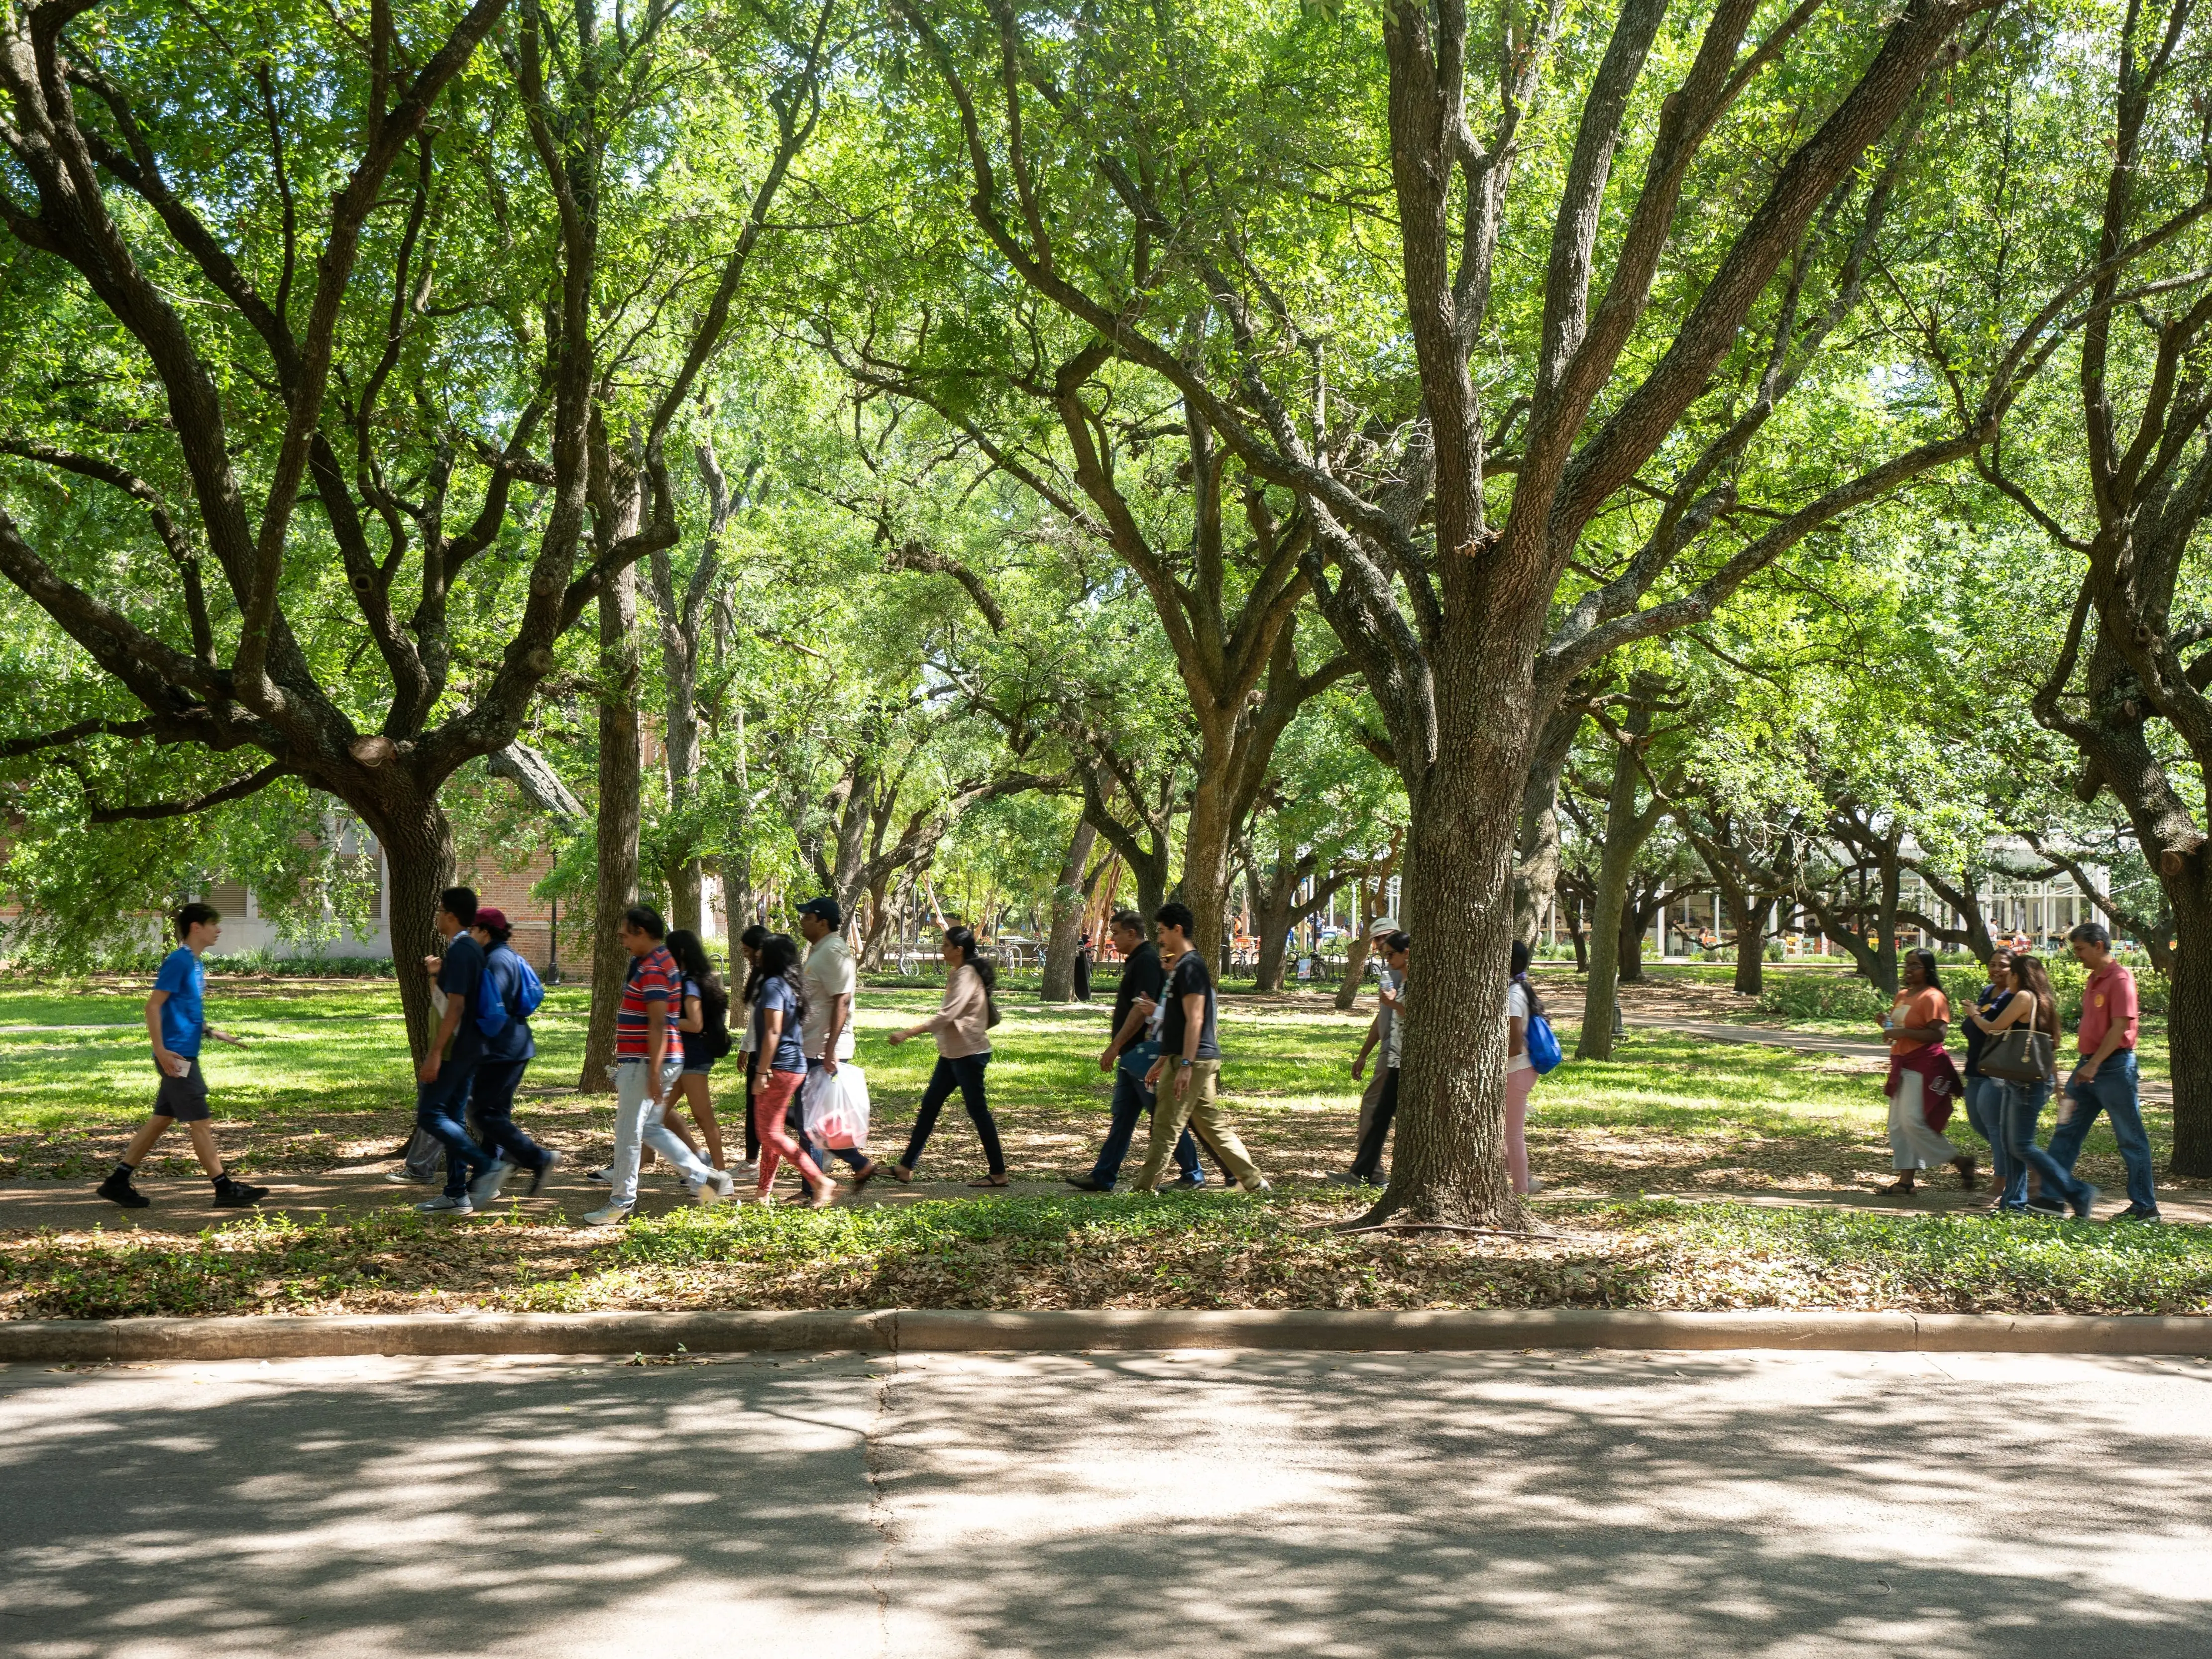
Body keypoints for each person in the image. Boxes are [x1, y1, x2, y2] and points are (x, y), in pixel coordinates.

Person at [97, 902, 267, 1211]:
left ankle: (117, 1182)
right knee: (201, 1123)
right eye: (213, 924)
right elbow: (153, 1007)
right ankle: (224, 1187)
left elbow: (185, 1008)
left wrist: (211, 1032)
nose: (219, 929)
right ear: (196, 927)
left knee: (161, 1119)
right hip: (177, 1058)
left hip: (184, 1053)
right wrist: (161, 1051)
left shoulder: (196, 964)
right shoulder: (178, 961)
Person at [583, 905, 735, 1225]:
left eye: (626, 935)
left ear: (642, 932)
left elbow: (658, 1024)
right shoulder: (662, 959)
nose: (622, 941)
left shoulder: (653, 967)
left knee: (629, 1133)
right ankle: (708, 1178)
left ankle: (620, 1202)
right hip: (658, 1060)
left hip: (646, 1062)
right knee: (651, 1128)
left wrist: (652, 1072)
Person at [1130, 902, 1268, 1194]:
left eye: (1162, 932)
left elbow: (1195, 1019)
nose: (1160, 939)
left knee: (1166, 1126)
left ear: (1177, 930)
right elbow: (1179, 1024)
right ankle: (1254, 1181)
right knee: (1211, 1126)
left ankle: (1143, 1190)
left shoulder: (1191, 967)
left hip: (1193, 1059)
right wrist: (1163, 1060)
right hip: (1190, 1058)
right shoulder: (1181, 967)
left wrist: (1185, 1065)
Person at [1066, 909, 1205, 1192]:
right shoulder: (1137, 961)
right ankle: (1103, 1175)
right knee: (1123, 1118)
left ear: (1132, 933)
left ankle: (1193, 1172)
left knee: (1162, 1116)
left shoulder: (1145, 962)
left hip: (1144, 1054)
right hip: (1132, 1056)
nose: (1112, 938)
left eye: (1116, 932)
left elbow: (1142, 1011)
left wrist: (1115, 1045)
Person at [2032, 922, 2158, 1221]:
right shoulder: (2093, 979)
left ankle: (2145, 1206)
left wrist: (2094, 1064)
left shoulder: (2121, 978)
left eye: (2080, 949)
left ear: (2099, 945)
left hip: (2113, 1068)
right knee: (2066, 1131)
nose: (2077, 955)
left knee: (2131, 1138)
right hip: (2085, 1068)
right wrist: (2086, 1065)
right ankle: (2051, 1198)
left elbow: (2120, 1028)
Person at [886, 925, 1008, 1186]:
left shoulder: (966, 974)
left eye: (945, 945)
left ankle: (998, 1173)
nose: (942, 949)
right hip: (953, 1054)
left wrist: (908, 1033)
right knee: (930, 1106)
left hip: (969, 1054)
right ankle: (906, 1167)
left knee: (978, 1111)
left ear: (959, 950)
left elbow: (948, 1015)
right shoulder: (959, 972)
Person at [410, 887, 501, 1216]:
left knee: (431, 1115)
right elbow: (446, 1001)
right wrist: (436, 975)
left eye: (439, 910)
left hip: (456, 1051)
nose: (436, 915)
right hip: (464, 1049)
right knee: (450, 1118)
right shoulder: (463, 951)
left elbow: (457, 1007)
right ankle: (456, 1193)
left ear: (450, 915)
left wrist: (435, 1052)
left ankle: (486, 1167)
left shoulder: (463, 951)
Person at [464, 906, 559, 1200]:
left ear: (484, 931)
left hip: (501, 1049)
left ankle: (537, 1158)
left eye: (473, 929)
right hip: (514, 1045)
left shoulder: (496, 960)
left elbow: (493, 1009)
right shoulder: (509, 956)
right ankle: (486, 1176)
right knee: (496, 1114)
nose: (469, 934)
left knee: (483, 1113)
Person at [1970, 952, 2066, 1215]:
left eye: (2010, 972)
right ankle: (2013, 1202)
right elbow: (2048, 1048)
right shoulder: (2042, 1000)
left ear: (2019, 975)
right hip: (2024, 1080)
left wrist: (1974, 1014)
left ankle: (2073, 1189)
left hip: (2026, 1084)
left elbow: (1994, 1029)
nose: (2005, 976)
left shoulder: (2024, 997)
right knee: (2008, 1141)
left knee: (2020, 1144)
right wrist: (2057, 1084)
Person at [1874, 947, 1975, 1197]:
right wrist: (1887, 1024)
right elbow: (1900, 1028)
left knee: (1913, 1122)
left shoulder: (1934, 997)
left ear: (1928, 969)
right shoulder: (1903, 995)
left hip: (1923, 1065)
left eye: (1915, 965)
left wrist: (1902, 1033)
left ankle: (1959, 1161)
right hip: (1901, 1063)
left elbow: (1937, 1034)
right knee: (1898, 1125)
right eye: (1907, 964)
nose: (1909, 969)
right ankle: (1906, 1182)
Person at [746, 932, 836, 1207]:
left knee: (770, 1134)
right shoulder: (786, 984)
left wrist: (761, 1073)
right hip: (790, 1066)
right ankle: (764, 1193)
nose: (756, 955)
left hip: (779, 1068)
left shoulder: (774, 986)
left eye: (762, 951)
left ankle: (820, 1181)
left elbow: (773, 1031)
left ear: (771, 956)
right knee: (770, 1129)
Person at [797, 897, 878, 1186]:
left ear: (822, 921)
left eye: (807, 916)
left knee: (807, 1118)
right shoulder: (820, 950)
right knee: (813, 1118)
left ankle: (813, 1188)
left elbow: (842, 1000)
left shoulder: (833, 951)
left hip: (823, 1050)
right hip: (812, 1045)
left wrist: (830, 1048)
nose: (802, 921)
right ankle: (857, 1164)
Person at [1338, 931, 1411, 1186]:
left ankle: (1368, 1175)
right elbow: (1381, 1022)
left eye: (1389, 952)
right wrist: (1364, 1054)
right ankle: (1365, 1173)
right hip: (1395, 1060)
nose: (1385, 956)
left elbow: (1419, 1017)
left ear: (1406, 954)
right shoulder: (1397, 980)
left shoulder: (1412, 983)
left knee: (1379, 1116)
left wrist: (1394, 1005)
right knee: (1379, 1117)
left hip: (1404, 1062)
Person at [665, 927, 731, 1172]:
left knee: (704, 1117)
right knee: (656, 1114)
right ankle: (698, 1162)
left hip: (694, 1057)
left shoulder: (690, 983)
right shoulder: (693, 978)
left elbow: (695, 1024)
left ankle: (721, 1173)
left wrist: (665, 1018)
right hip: (684, 1057)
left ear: (680, 952)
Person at [1960, 948, 2015, 1209]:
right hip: (1975, 1069)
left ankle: (2000, 1185)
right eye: (1992, 964)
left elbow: (1991, 1028)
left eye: (2002, 966)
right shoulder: (1986, 992)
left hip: (1997, 1072)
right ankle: (2027, 1166)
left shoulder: (2013, 997)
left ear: (2014, 970)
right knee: (1980, 1124)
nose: (1995, 969)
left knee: (1996, 1129)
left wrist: (1973, 1013)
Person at [1347, 916, 1403, 1172]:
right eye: (1377, 940)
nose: (1380, 944)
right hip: (1388, 1049)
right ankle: (1370, 1169)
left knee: (1375, 1106)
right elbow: (1382, 1015)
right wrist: (1364, 1053)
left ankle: (1370, 1170)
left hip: (1397, 1051)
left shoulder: (1402, 966)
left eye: (1384, 937)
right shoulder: (1389, 969)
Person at [1505, 938, 1546, 1196]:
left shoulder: (1513, 995)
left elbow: (1515, 1044)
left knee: (1513, 1135)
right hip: (1520, 1070)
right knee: (1504, 1132)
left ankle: (1522, 1190)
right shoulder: (1520, 989)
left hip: (1517, 1070)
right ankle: (1526, 1181)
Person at [734, 923, 768, 1173]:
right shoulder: (759, 976)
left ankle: (752, 1161)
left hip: (769, 1054)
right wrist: (745, 1047)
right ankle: (752, 1160)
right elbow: (754, 1022)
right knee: (756, 1108)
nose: (746, 957)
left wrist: (762, 1064)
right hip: (758, 1050)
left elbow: (768, 1024)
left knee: (763, 1110)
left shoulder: (770, 979)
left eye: (748, 952)